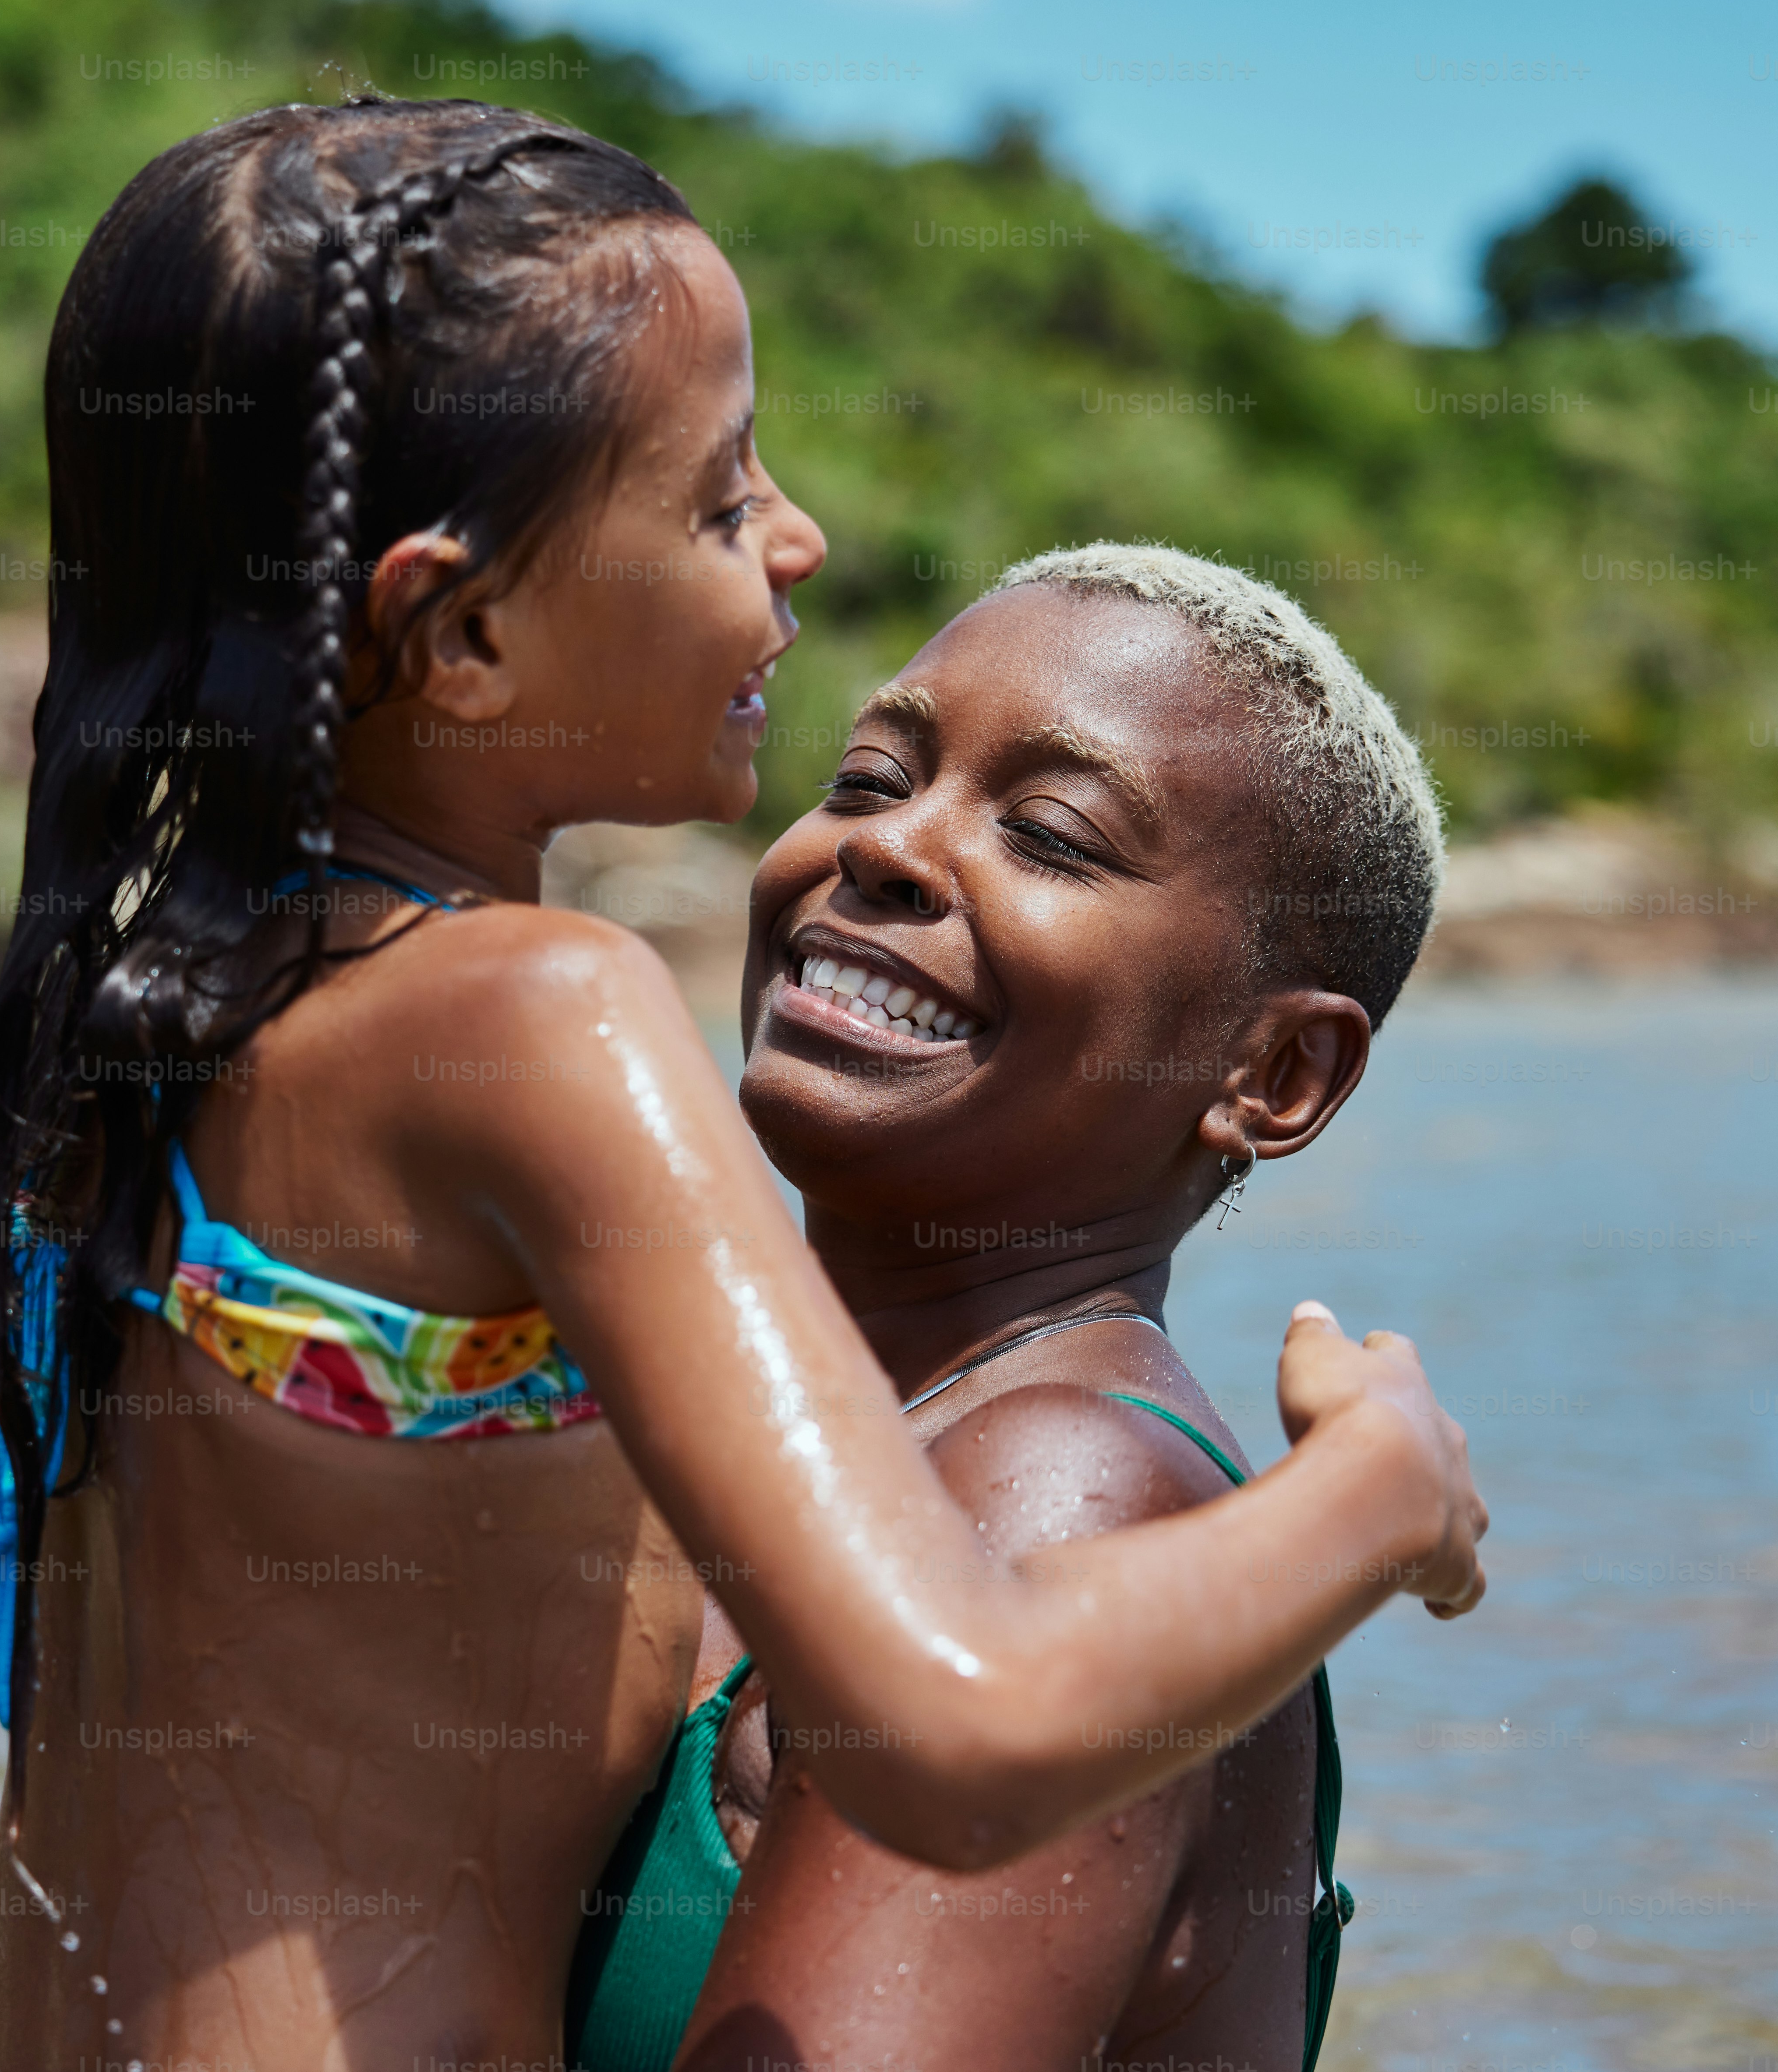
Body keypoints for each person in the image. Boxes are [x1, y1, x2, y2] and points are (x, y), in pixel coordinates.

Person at [0, 98, 1489, 2070]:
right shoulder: (542, 1013)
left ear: (1277, 1073)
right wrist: (1377, 1489)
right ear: (477, 627)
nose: (799, 536)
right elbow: (964, 1722)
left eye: (1054, 828)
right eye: (717, 497)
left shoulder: (167, 1000)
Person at [569, 545, 1442, 2072]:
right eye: (861, 777)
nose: (889, 845)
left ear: (1273, 1074)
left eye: (1049, 834)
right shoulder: (689, 1439)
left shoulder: (1069, 1499)